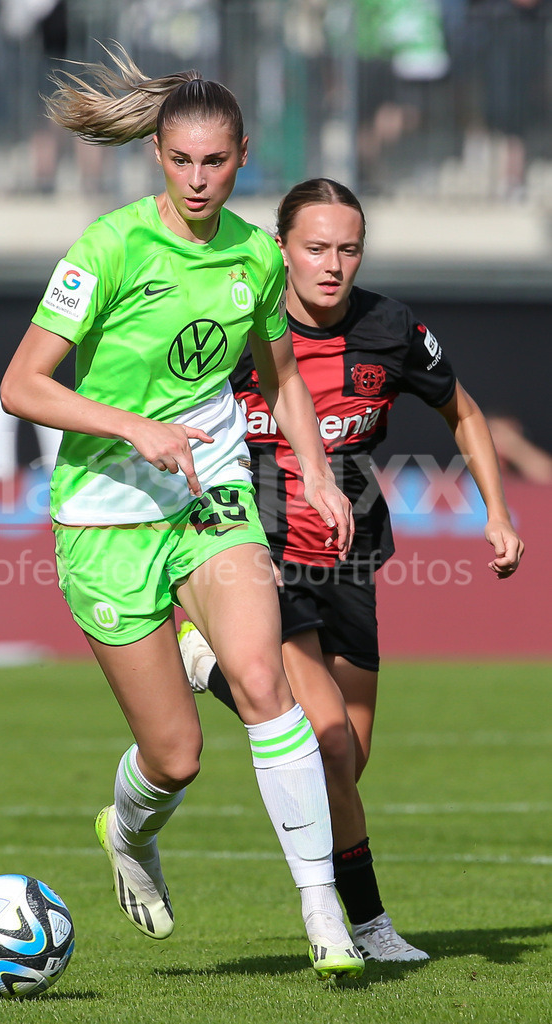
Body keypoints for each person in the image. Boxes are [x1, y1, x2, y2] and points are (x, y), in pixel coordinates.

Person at [0, 48, 364, 980]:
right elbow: (21, 387)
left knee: (258, 678)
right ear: (157, 157)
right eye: (180, 161)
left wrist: (317, 472)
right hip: (103, 515)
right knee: (176, 756)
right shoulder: (110, 246)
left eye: (215, 161)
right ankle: (126, 832)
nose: (198, 180)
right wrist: (132, 428)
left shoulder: (254, 252)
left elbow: (280, 376)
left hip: (210, 495)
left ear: (244, 154)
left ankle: (322, 911)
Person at [177, 177, 524, 962]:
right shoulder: (237, 325)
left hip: (351, 555)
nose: (332, 265)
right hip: (257, 552)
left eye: (348, 248)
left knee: (347, 760)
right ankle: (365, 925)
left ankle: (212, 671)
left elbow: (461, 411)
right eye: (315, 248)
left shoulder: (390, 328)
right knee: (326, 738)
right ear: (280, 250)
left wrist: (495, 513)